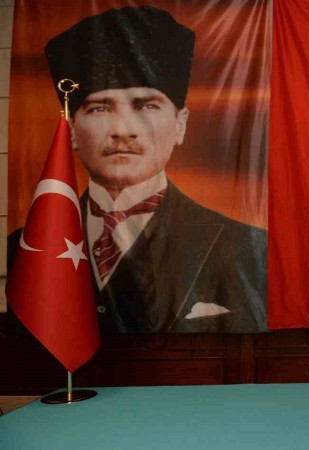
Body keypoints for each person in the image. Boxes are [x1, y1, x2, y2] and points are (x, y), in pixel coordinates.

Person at [9, 6, 267, 333]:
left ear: (180, 124)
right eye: (100, 108)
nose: (123, 130)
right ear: (72, 129)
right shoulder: (25, 247)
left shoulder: (245, 247)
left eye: (146, 106)